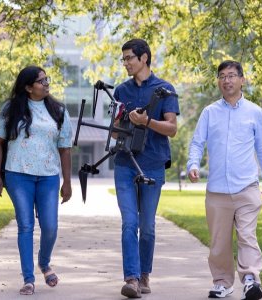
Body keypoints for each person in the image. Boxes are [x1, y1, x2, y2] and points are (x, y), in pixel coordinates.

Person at [186, 60, 262, 300]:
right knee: (219, 242)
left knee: (247, 235)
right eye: (222, 76)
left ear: (242, 80)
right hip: (217, 190)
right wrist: (192, 164)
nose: (227, 80)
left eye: (232, 75)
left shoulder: (254, 112)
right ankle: (222, 282)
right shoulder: (209, 112)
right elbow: (197, 143)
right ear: (218, 82)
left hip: (246, 187)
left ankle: (250, 279)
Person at [0, 65, 73, 296]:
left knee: (50, 227)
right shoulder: (11, 109)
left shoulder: (58, 111)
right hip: (17, 175)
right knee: (25, 225)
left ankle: (44, 262)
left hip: (48, 177)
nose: (46, 84)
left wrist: (67, 182)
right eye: (40, 81)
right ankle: (28, 279)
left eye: (46, 79)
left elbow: (65, 149)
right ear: (27, 88)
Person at [112, 38, 179, 298]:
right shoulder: (120, 91)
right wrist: (121, 127)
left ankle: (144, 274)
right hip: (125, 163)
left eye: (130, 58)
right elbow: (115, 131)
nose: (126, 63)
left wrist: (146, 121)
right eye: (124, 59)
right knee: (129, 222)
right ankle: (131, 279)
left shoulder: (166, 89)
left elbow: (172, 129)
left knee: (147, 226)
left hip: (152, 164)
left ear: (144, 58)